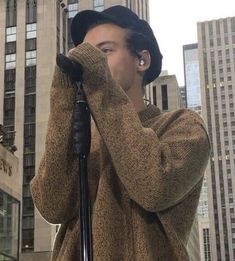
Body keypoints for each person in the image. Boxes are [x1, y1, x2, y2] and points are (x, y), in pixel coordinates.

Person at [30, 5, 210, 261]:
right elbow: (51, 205)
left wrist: (101, 87)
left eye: (104, 51)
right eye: (83, 55)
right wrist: (63, 100)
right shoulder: (85, 138)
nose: (89, 63)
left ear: (142, 60)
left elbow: (153, 187)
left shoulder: (184, 127)